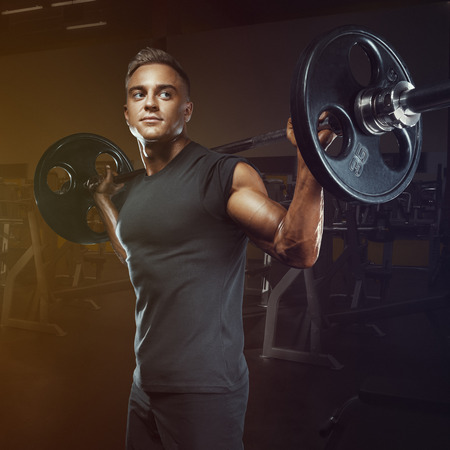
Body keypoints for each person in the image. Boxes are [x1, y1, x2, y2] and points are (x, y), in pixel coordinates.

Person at [92, 47, 336, 450]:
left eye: (165, 93)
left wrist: (311, 154)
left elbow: (297, 250)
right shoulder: (131, 190)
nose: (150, 102)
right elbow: (131, 254)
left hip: (204, 390)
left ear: (187, 110)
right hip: (144, 385)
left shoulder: (223, 176)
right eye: (139, 94)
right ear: (127, 112)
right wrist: (103, 200)